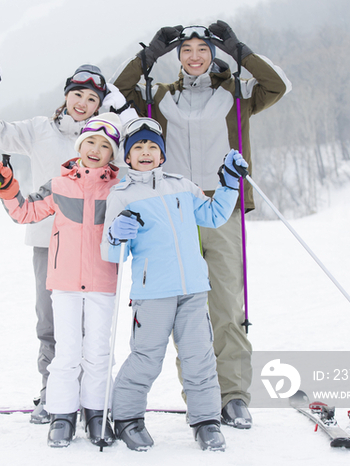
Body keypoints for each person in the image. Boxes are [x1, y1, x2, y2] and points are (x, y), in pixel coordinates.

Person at [112, 21, 292, 428]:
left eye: (204, 49)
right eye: (186, 50)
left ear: (214, 54)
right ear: (177, 57)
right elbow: (116, 93)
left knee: (226, 305)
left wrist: (239, 50)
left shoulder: (236, 94)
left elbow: (277, 85)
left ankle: (233, 396)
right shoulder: (158, 99)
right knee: (184, 307)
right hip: (171, 210)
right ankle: (198, 394)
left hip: (220, 206)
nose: (195, 56)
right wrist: (148, 56)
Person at [0, 62, 131, 424]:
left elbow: (139, 157)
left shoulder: (110, 138)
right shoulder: (39, 130)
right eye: (77, 94)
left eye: (92, 98)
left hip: (95, 245)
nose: (83, 103)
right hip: (49, 242)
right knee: (50, 325)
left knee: (91, 332)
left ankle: (91, 399)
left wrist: (123, 112)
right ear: (66, 95)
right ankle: (53, 394)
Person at [101, 118, 247, 451]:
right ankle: (126, 417)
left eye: (153, 146)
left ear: (163, 153)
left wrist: (228, 185)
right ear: (127, 155)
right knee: (146, 358)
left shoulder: (182, 185)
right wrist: (115, 234)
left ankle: (206, 420)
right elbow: (112, 254)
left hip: (194, 289)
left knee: (199, 357)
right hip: (153, 294)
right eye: (138, 147)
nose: (146, 152)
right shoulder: (121, 196)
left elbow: (212, 216)